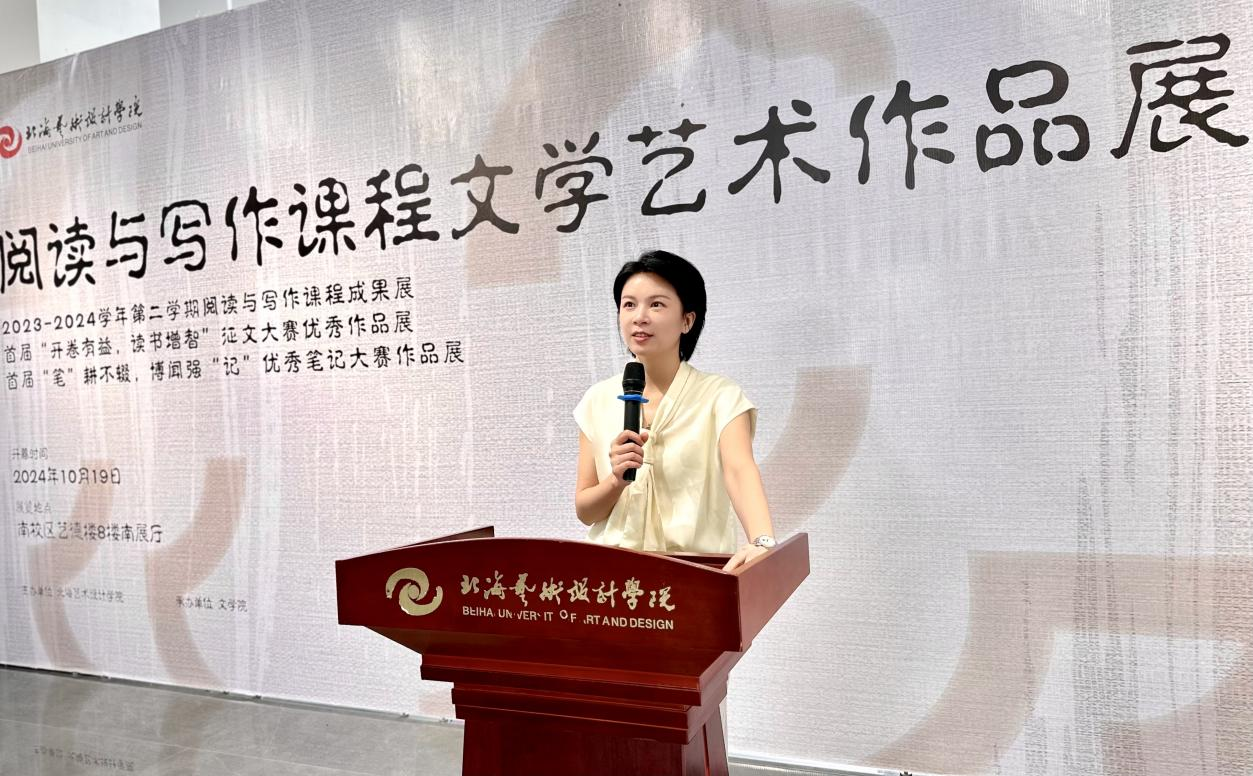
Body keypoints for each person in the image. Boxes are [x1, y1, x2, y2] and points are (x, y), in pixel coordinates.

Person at [573, 250, 777, 572]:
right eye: (629, 304)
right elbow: (586, 511)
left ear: (687, 320)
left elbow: (739, 470)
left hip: (694, 576)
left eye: (656, 304)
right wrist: (615, 480)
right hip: (611, 577)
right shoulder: (597, 400)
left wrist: (761, 541)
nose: (640, 317)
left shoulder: (720, 397)